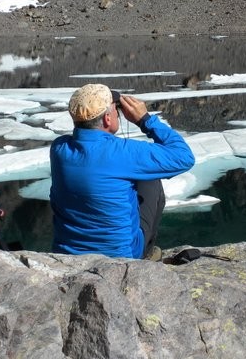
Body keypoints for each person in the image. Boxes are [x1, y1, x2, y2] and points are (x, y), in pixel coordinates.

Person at [50, 83, 195, 259]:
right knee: (151, 180)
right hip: (121, 256)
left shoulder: (59, 148)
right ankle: (146, 253)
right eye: (115, 110)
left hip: (67, 254)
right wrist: (144, 119)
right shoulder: (123, 152)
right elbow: (184, 157)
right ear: (107, 119)